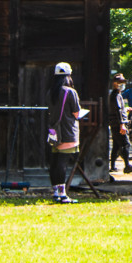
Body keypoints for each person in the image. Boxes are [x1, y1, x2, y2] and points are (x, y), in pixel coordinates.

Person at [47, 61, 88, 203]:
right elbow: (76, 113)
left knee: (55, 162)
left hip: (54, 132)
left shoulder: (51, 92)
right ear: (68, 76)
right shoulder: (71, 92)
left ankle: (55, 192)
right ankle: (62, 194)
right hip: (68, 132)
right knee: (62, 163)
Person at [107, 72, 132, 174]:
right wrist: (122, 124)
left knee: (116, 145)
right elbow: (118, 110)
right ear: (114, 83)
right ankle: (127, 165)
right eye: (119, 82)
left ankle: (112, 166)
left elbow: (120, 109)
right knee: (125, 144)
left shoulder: (116, 94)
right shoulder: (116, 95)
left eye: (123, 81)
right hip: (118, 123)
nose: (122, 84)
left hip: (114, 123)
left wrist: (126, 109)